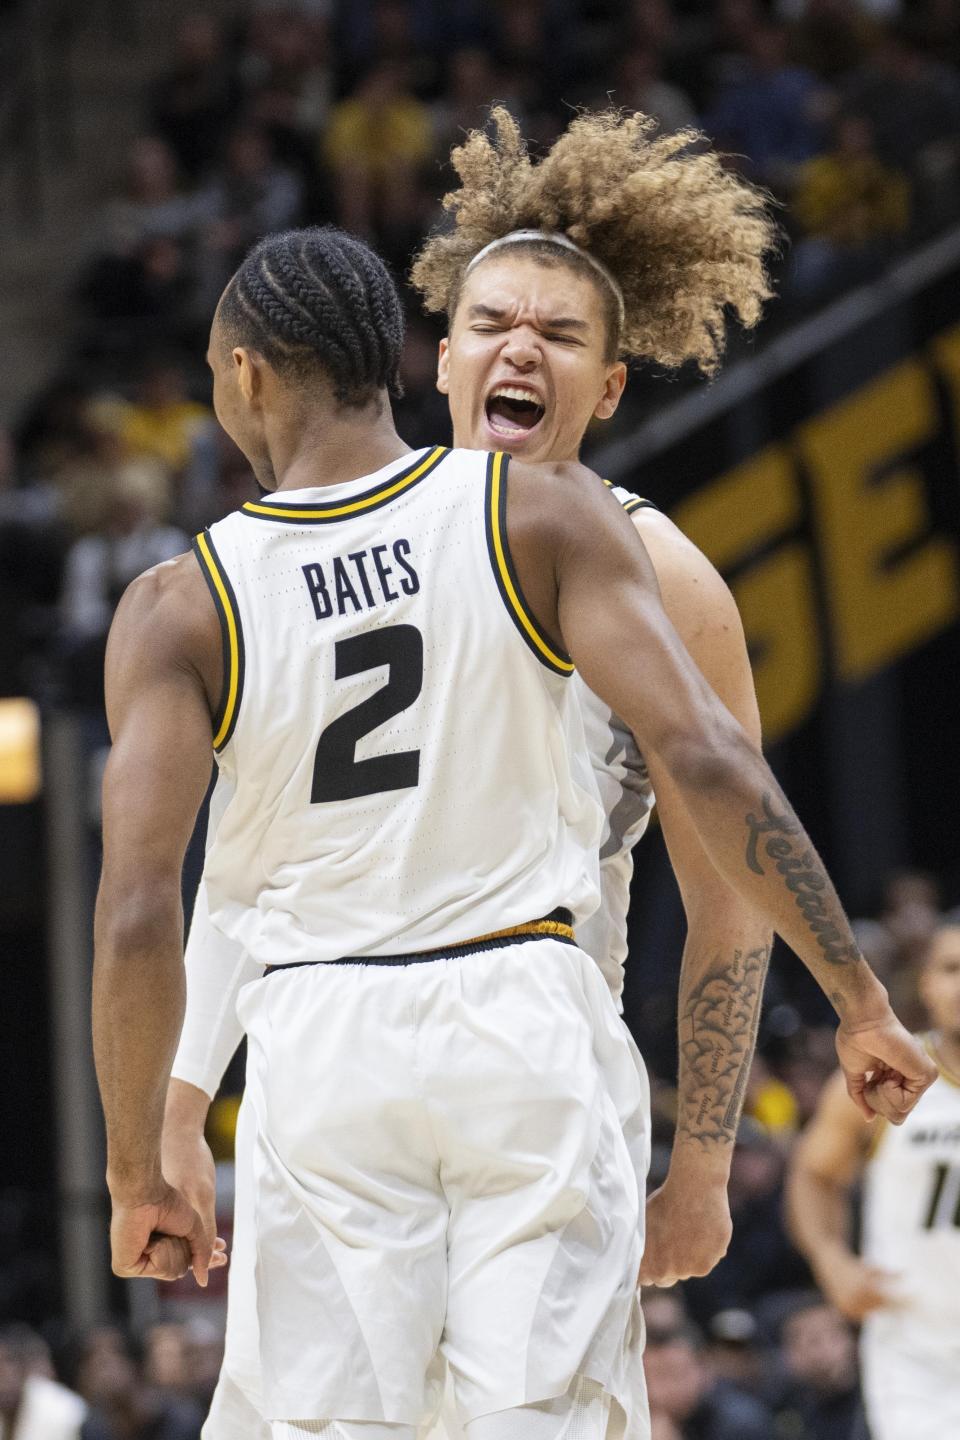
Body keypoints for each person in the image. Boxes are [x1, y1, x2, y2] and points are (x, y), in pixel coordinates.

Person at [92, 221, 933, 1440]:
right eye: (491, 324)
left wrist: (140, 1159)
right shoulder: (532, 516)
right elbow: (714, 766)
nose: (518, 352)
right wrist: (856, 993)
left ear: (245, 376)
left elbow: (149, 907)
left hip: (336, 1029)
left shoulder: (187, 598)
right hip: (518, 1019)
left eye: (557, 333)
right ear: (422, 359)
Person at [786, 919, 960, 1440]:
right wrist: (832, 1261)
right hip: (917, 1352)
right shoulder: (887, 1073)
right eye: (951, 969)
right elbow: (814, 1175)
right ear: (925, 982)